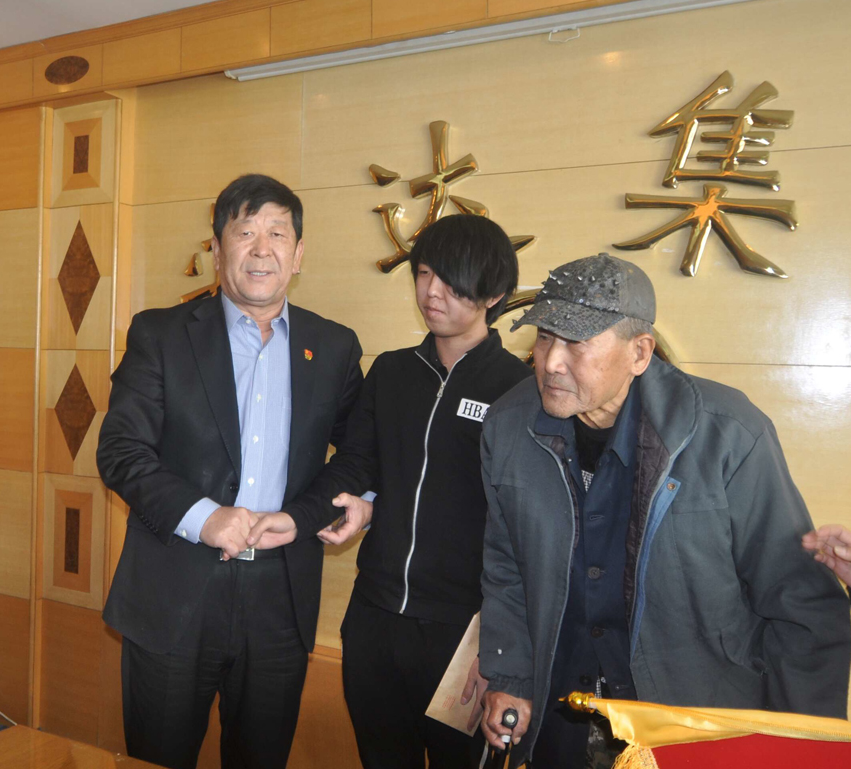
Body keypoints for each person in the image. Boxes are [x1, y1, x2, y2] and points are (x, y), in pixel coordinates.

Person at [476, 253, 851, 769]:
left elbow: (800, 604)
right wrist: (511, 675)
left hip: (693, 723)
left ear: (640, 352)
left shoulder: (728, 433)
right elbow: (506, 567)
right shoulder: (508, 426)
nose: (551, 362)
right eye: (544, 337)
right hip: (562, 711)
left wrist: (801, 746)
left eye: (577, 342)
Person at [96, 174, 363, 769]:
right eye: (245, 233)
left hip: (280, 601)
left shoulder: (335, 347)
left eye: (278, 234)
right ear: (217, 249)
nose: (262, 248)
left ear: (299, 254)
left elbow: (356, 456)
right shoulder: (161, 334)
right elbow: (120, 450)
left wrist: (304, 518)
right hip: (173, 594)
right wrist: (205, 517)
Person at [247, 215, 532, 768]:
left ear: (494, 293)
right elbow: (356, 466)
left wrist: (504, 651)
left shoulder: (518, 391)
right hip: (375, 621)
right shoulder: (393, 372)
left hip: (464, 635)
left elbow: (527, 533)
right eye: (424, 274)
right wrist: (304, 517)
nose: (431, 292)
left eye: (451, 281)